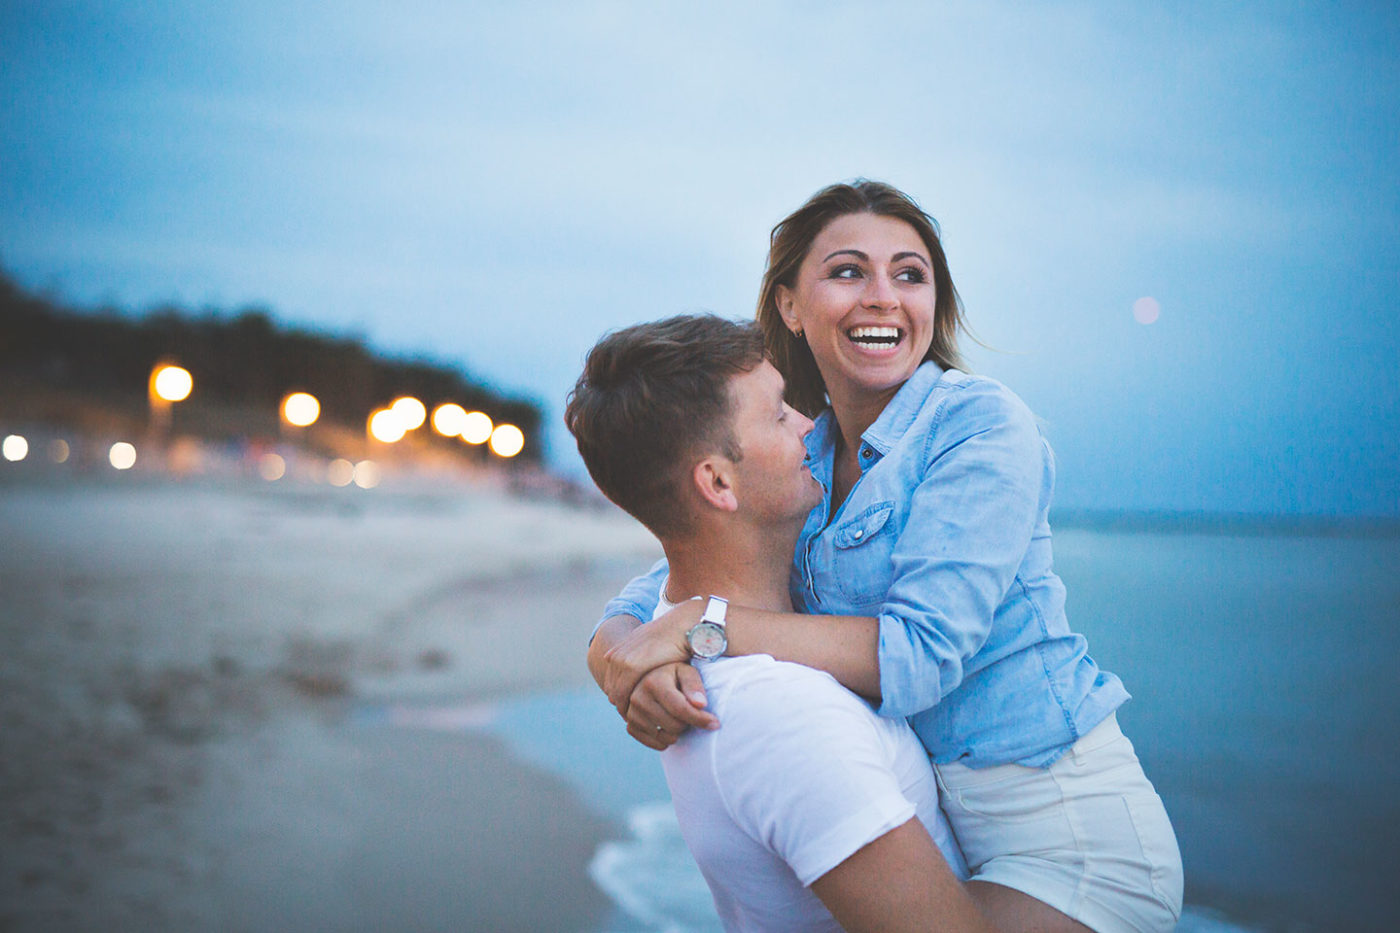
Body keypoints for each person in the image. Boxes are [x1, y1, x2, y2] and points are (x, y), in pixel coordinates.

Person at [589, 181, 1184, 933]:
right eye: (847, 272)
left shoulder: (979, 425)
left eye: (910, 275)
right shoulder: (803, 456)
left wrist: (703, 627)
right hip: (943, 824)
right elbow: (670, 578)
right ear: (789, 306)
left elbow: (920, 653)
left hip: (1064, 835)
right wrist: (620, 661)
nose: (883, 297)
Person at [566, 314, 995, 933]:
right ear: (717, 482)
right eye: (778, 414)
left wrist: (618, 642)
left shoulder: (675, 626)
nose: (809, 423)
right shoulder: (787, 716)